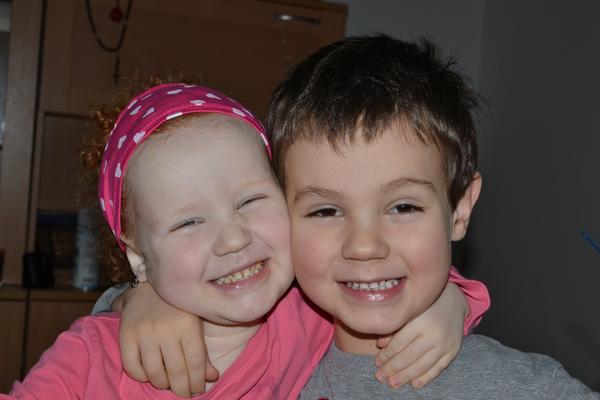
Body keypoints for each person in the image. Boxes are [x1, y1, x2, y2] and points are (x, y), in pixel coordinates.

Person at [2, 76, 489, 399]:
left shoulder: (309, 315)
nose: (233, 239)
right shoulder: (89, 357)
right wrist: (136, 297)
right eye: (188, 223)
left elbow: (390, 280)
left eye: (251, 201)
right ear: (138, 257)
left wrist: (449, 302)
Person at [261, 34, 599, 399]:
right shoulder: (252, 373)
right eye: (326, 210)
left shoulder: (529, 388)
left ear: (460, 209)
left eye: (403, 207)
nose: (364, 246)